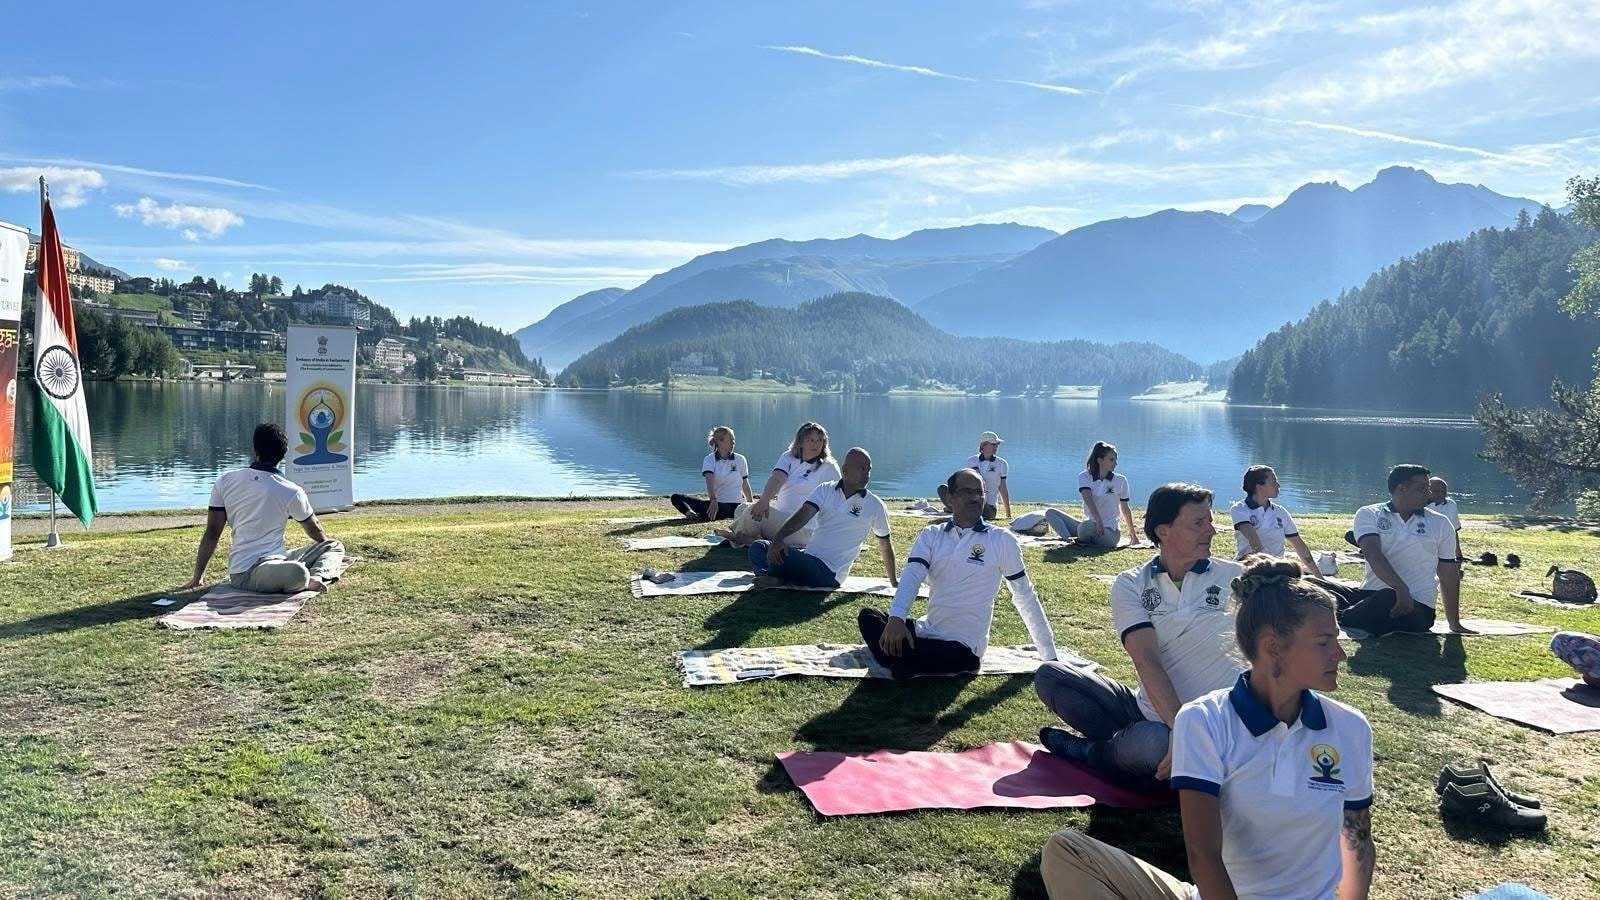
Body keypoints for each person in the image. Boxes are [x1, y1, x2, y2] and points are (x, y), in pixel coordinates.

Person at [1041, 557, 1375, 900]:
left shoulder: (1349, 728)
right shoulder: (1204, 721)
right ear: (1273, 647)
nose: (1339, 654)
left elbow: (1358, 839)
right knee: (1066, 852)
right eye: (1324, 642)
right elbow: (1203, 855)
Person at [1036, 483, 1244, 782]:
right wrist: (1179, 728)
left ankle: (1094, 753)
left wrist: (1186, 734)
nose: (1211, 531)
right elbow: (1146, 660)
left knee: (1151, 745)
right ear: (1164, 531)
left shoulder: (1236, 579)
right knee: (1050, 675)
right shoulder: (1132, 583)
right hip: (1147, 710)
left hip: (1213, 728)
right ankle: (1136, 748)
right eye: (1199, 523)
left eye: (1210, 521)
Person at [860, 468, 1059, 678]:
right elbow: (912, 576)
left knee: (914, 657)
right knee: (868, 617)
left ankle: (899, 658)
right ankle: (903, 658)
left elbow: (1024, 596)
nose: (975, 497)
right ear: (950, 498)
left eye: (979, 492)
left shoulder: (1001, 540)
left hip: (963, 648)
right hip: (927, 631)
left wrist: (1050, 656)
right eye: (967, 491)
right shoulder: (931, 535)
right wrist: (896, 619)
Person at [181, 423, 345, 594]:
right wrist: (197, 578)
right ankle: (308, 577)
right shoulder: (291, 491)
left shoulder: (225, 481)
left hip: (278, 560)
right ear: (285, 452)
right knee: (298, 571)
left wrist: (198, 576)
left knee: (333, 545)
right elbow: (314, 529)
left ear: (254, 449)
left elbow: (212, 532)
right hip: (247, 571)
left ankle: (316, 577)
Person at [1315, 464, 1470, 636]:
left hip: (1416, 607)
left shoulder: (1440, 523)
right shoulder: (1369, 513)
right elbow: (1373, 554)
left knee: (1387, 598)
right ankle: (1344, 611)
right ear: (1401, 489)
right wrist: (1400, 588)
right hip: (1371, 595)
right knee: (1308, 583)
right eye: (1422, 489)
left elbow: (1448, 574)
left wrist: (1454, 623)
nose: (1429, 494)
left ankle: (1339, 616)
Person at [748, 447, 897, 590]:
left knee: (781, 554)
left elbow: (885, 544)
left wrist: (893, 581)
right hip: (808, 557)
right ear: (845, 470)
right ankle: (771, 577)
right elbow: (803, 515)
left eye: (868, 470)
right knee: (759, 546)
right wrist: (778, 538)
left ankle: (775, 576)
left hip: (830, 572)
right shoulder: (826, 489)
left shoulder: (875, 505)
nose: (866, 474)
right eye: (862, 468)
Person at [718, 422, 841, 548]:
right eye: (811, 440)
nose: (816, 444)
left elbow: (840, 498)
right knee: (742, 508)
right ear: (800, 442)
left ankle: (736, 540)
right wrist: (765, 500)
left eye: (820, 440)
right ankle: (750, 539)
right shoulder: (789, 457)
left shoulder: (828, 467)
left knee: (751, 513)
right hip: (781, 517)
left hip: (802, 528)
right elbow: (777, 478)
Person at [1043, 441, 1139, 548]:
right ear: (1100, 460)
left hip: (1109, 532)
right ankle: (1068, 540)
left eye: (1116, 460)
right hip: (1090, 525)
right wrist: (1098, 521)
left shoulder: (1120, 480)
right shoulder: (1084, 477)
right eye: (1111, 460)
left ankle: (1079, 539)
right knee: (1050, 513)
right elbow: (1088, 498)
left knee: (1084, 528)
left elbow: (1125, 508)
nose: (1115, 463)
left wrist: (1133, 535)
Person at [1229, 465, 1317, 572]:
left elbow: (1299, 545)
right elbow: (1254, 542)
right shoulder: (1240, 509)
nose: (1278, 485)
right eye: (1274, 482)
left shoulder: (1280, 512)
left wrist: (1319, 577)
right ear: (1259, 487)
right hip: (1249, 568)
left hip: (1277, 569)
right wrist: (1270, 568)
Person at [670, 425, 751, 521]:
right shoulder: (709, 459)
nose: (733, 443)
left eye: (734, 440)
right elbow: (709, 481)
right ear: (719, 442)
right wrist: (713, 500)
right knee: (675, 497)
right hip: (717, 503)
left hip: (737, 505)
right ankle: (690, 514)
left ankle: (705, 514)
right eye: (730, 440)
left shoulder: (740, 459)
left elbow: (745, 484)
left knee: (723, 511)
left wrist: (750, 505)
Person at [966, 431, 1011, 521]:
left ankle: (955, 509)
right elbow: (978, 481)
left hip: (989, 507)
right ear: (984, 445)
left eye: (997, 444)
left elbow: (1003, 488)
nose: (997, 446)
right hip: (972, 504)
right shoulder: (972, 460)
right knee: (943, 488)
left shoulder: (1002, 463)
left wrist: (1008, 514)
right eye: (994, 444)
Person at [1428, 475, 1464, 562]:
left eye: (1443, 491)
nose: (1440, 494)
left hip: (1444, 548)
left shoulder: (1451, 505)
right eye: (1436, 491)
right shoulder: (1417, 506)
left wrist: (1458, 555)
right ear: (1427, 490)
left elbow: (1453, 531)